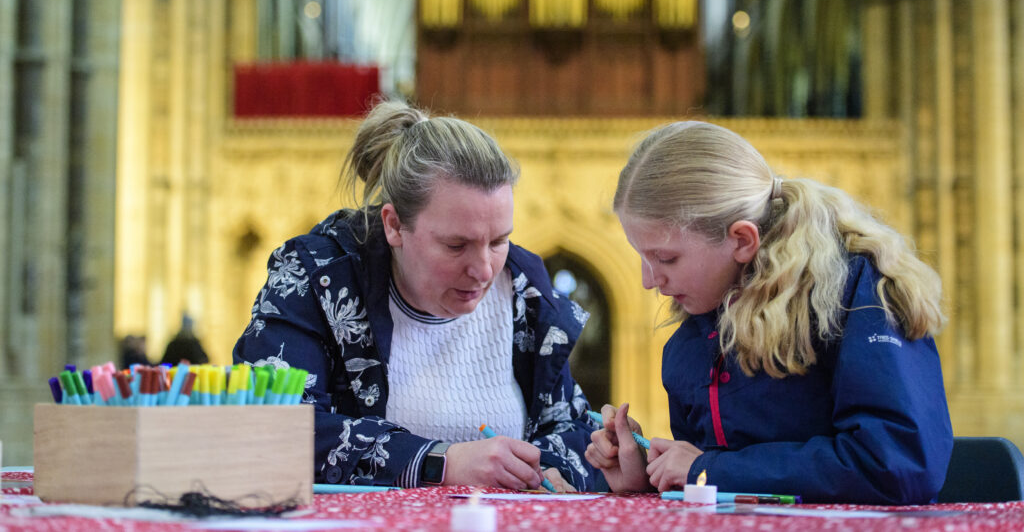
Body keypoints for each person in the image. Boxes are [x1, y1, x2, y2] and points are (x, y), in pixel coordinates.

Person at [233, 100, 599, 491]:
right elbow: (271, 425)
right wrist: (441, 462)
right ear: (393, 226)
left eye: (498, 240)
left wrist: (561, 465)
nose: (484, 270)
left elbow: (569, 427)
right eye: (456, 245)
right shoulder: (315, 276)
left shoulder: (524, 288)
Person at [585, 120, 953, 504]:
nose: (649, 280)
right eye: (641, 256)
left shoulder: (857, 292)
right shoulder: (689, 344)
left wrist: (709, 471)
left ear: (742, 240)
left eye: (665, 258)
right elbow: (715, 489)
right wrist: (647, 477)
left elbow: (899, 464)